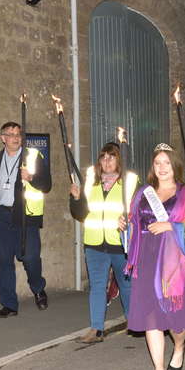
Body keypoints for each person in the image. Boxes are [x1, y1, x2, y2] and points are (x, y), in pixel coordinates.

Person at [122, 144, 185, 370]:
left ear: (174, 165)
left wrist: (171, 227)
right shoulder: (143, 193)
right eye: (158, 163)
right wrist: (125, 225)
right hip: (146, 257)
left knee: (176, 318)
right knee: (150, 316)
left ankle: (179, 346)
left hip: (171, 260)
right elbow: (133, 222)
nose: (162, 167)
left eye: (166, 162)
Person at [0, 122, 51, 317]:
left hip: (25, 215)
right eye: (10, 134)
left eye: (18, 134)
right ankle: (9, 305)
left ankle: (37, 288)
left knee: (30, 257)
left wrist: (31, 177)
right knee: (3, 259)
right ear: (3, 138)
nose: (15, 137)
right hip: (1, 215)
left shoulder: (33, 156)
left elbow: (47, 184)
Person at [70, 142, 138, 344]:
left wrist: (130, 220)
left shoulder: (129, 183)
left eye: (112, 157)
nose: (107, 161)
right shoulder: (91, 184)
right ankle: (96, 329)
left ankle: (133, 322)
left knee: (126, 286)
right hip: (94, 244)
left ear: (119, 160)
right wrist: (76, 198)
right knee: (97, 286)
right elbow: (80, 214)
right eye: (104, 157)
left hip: (120, 243)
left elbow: (140, 211)